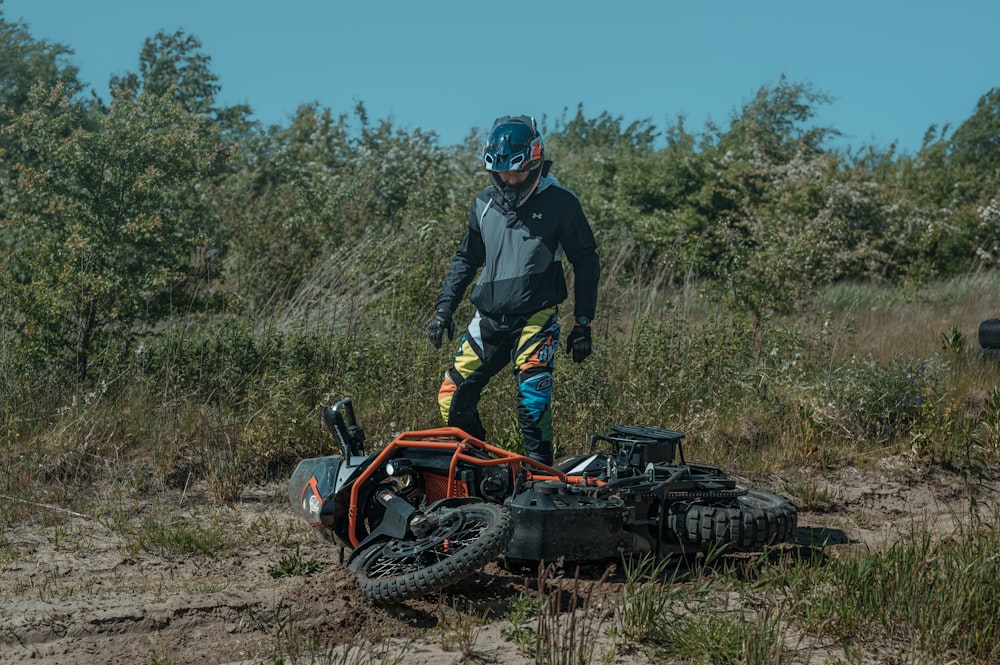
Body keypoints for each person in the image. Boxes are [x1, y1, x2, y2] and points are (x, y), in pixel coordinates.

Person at [427, 115, 600, 466]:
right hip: (488, 318)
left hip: (535, 317)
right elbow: (465, 259)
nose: (509, 180)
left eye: (517, 172)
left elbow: (586, 260)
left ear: (535, 161)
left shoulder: (561, 202)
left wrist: (583, 323)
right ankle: (478, 469)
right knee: (451, 396)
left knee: (532, 403)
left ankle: (541, 482)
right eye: (502, 173)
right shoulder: (482, 204)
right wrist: (444, 309)